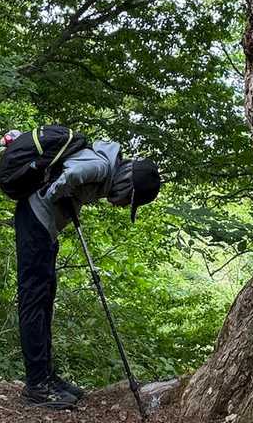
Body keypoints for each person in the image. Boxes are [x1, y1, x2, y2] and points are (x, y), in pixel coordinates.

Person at [13, 138, 161, 410]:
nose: (120, 205)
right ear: (127, 183)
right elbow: (71, 176)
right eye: (127, 200)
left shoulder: (102, 165)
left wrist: (64, 195)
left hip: (43, 225)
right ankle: (37, 385)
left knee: (45, 298)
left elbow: (67, 179)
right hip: (36, 220)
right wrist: (59, 191)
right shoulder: (100, 167)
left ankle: (45, 376)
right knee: (34, 300)